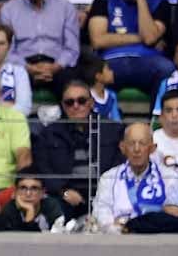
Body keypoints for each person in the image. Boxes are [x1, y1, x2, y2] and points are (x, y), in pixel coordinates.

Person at [32, 78, 123, 218]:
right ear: (63, 105)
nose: (76, 106)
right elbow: (43, 169)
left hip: (107, 193)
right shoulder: (49, 133)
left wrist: (106, 192)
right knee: (54, 207)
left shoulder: (112, 129)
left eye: (81, 101)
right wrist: (64, 192)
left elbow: (120, 164)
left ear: (91, 103)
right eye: (69, 102)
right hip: (67, 196)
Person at [87, 0, 173, 99]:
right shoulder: (102, 2)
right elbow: (98, 40)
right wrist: (139, 38)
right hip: (111, 62)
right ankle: (101, 117)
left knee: (167, 68)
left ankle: (156, 117)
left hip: (148, 62)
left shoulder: (160, 4)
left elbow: (149, 37)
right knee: (95, 72)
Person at [0, 0, 80, 97]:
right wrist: (29, 68)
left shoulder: (65, 8)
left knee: (73, 87)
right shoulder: (8, 10)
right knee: (9, 79)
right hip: (22, 66)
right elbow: (7, 50)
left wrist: (55, 67)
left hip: (58, 66)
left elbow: (72, 48)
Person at [92, 121, 175, 231]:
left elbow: (174, 213)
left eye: (142, 143)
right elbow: (100, 213)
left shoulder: (169, 177)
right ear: (122, 147)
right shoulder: (108, 178)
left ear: (152, 148)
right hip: (119, 239)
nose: (137, 149)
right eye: (131, 143)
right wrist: (118, 228)